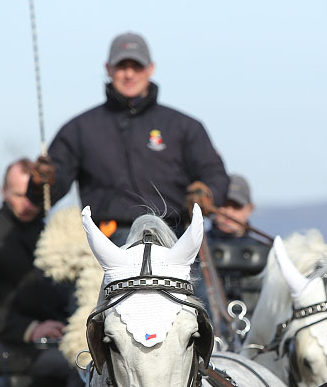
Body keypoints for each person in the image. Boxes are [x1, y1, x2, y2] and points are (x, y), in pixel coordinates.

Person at [27, 32, 229, 244]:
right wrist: (40, 182)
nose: (129, 74)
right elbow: (44, 198)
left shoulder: (185, 127)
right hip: (110, 243)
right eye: (122, 67)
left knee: (200, 277)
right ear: (108, 69)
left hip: (174, 239)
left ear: (151, 69)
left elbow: (216, 176)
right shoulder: (79, 129)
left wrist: (207, 193)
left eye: (137, 67)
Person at [0, 158, 74, 381]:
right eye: (20, 195)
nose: (28, 204)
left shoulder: (55, 238)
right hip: (11, 353)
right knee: (79, 369)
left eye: (33, 195)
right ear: (4, 191)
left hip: (58, 344)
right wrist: (30, 330)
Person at [206, 174, 268, 313]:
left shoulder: (265, 252)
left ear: (250, 209)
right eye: (223, 205)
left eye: (236, 206)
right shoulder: (198, 249)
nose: (229, 213)